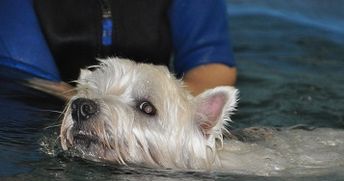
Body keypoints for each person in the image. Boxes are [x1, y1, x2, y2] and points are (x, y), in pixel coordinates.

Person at [0, 0, 237, 96]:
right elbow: (25, 81)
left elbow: (212, 67)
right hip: (39, 114)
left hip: (146, 117)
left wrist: (166, 114)